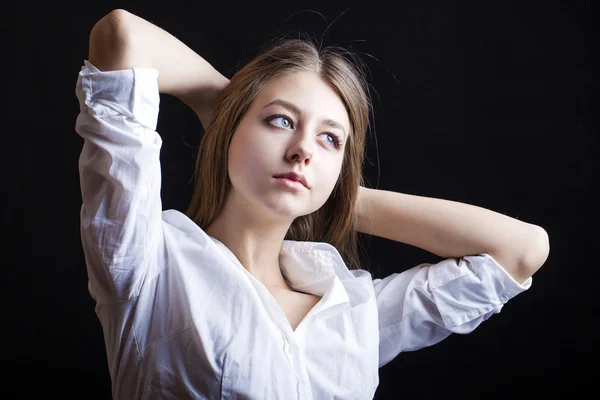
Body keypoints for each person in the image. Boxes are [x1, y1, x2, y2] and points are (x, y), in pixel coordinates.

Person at [74, 8, 550, 400]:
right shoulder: (149, 265)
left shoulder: (354, 310)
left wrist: (339, 194)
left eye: (329, 139)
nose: (304, 149)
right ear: (231, 129)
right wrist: (219, 105)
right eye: (280, 121)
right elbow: (122, 35)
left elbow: (521, 249)